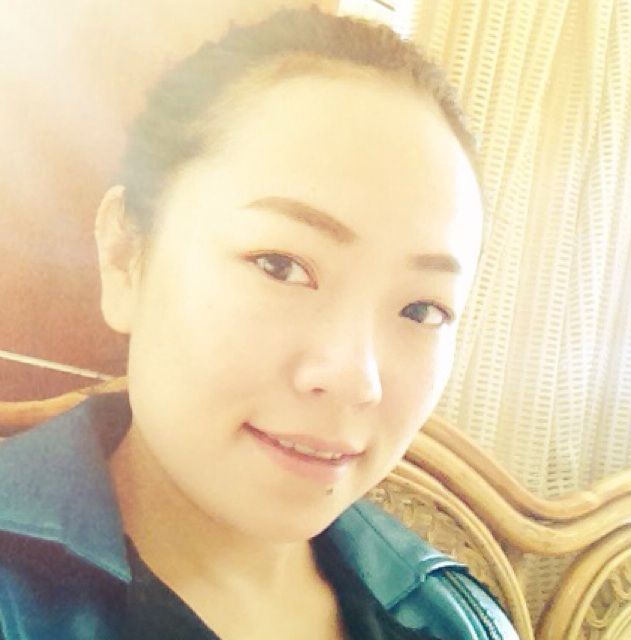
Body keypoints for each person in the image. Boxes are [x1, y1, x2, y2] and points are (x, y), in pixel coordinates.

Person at [0, 7, 519, 640]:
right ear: (126, 255)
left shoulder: (457, 619)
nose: (356, 378)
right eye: (281, 265)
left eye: (422, 309)